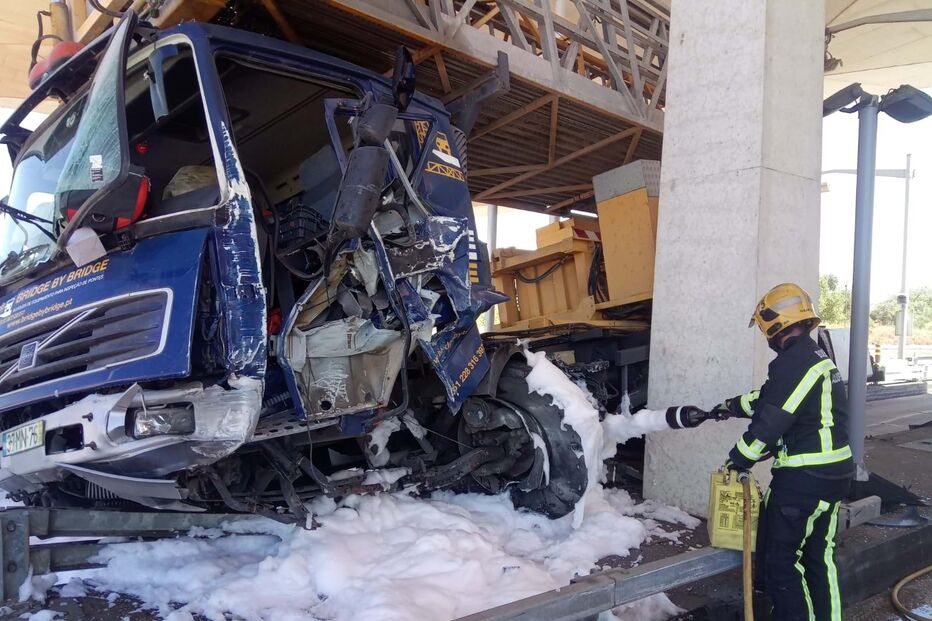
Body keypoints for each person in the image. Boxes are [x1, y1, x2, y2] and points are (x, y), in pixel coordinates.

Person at [666, 283, 853, 621]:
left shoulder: (792, 363)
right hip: (834, 474)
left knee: (782, 563)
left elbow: (770, 421)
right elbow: (769, 399)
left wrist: (736, 460)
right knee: (818, 558)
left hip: (803, 480)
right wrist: (726, 407)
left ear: (773, 322)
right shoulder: (813, 358)